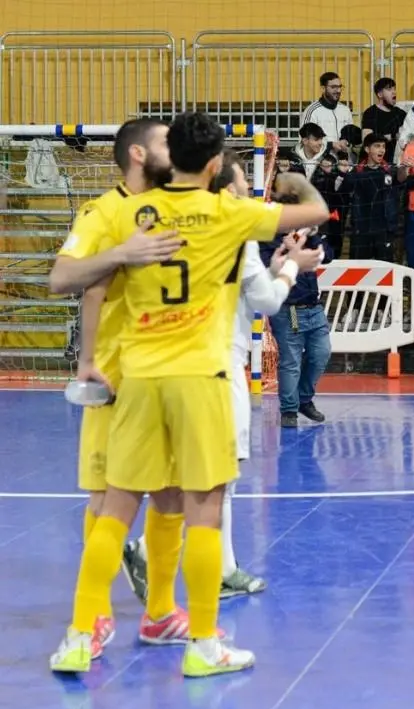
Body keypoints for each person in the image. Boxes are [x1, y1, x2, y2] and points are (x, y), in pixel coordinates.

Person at [49, 112, 329, 676]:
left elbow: (94, 286)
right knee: (204, 508)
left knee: (125, 507)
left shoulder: (128, 215)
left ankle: (95, 628)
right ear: (210, 163)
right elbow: (315, 211)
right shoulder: (226, 212)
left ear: (166, 156)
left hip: (139, 377)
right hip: (198, 376)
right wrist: (291, 191)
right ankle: (203, 643)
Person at [120, 151, 323, 603]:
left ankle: (219, 566)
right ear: (221, 185)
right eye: (237, 186)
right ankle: (159, 561)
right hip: (216, 363)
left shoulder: (178, 225)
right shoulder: (234, 228)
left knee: (207, 474)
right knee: (215, 473)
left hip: (173, 360)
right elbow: (268, 303)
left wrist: (276, 265)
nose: (243, 193)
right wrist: (293, 267)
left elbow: (243, 293)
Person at [47, 118, 185, 658]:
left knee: (172, 491)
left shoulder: (179, 206)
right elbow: (62, 278)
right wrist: (122, 254)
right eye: (163, 143)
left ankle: (160, 612)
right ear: (136, 152)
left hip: (170, 374)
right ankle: (95, 617)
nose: (172, 151)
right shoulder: (101, 212)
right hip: (116, 379)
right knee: (108, 499)